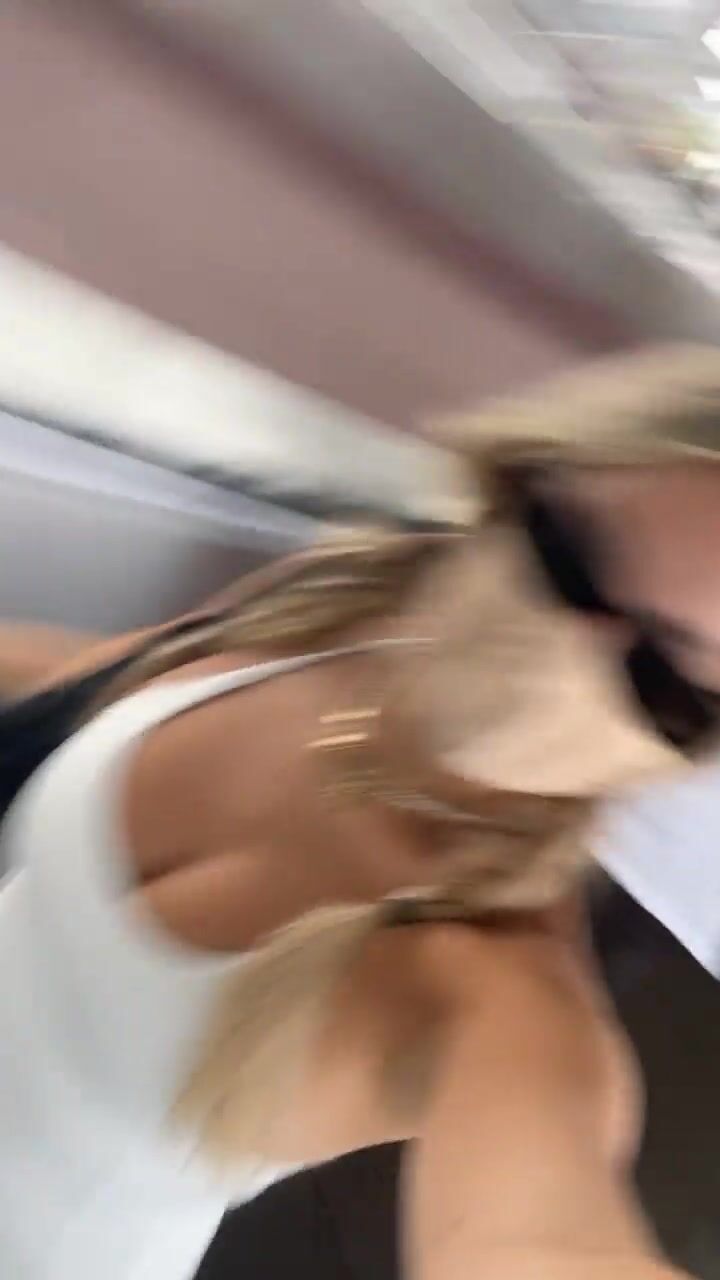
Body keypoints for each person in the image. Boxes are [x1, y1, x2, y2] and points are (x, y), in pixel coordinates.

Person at [0, 342, 717, 1279]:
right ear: (523, 478)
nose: (567, 652)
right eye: (567, 557)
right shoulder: (340, 609)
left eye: (659, 678)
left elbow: (537, 1232)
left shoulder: (488, 977)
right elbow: (87, 685)